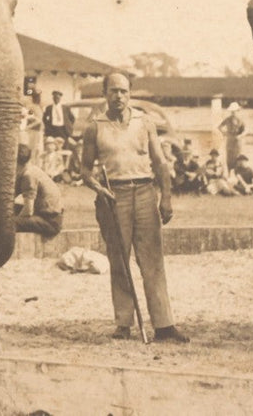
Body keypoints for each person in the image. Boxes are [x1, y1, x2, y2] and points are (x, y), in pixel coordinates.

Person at [82, 72, 187, 343]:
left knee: (152, 260)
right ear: (104, 93)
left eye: (124, 91)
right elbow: (84, 170)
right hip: (112, 196)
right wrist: (98, 188)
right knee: (119, 261)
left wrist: (166, 198)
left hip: (144, 191)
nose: (119, 96)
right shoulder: (95, 126)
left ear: (131, 93)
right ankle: (124, 324)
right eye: (113, 91)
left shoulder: (145, 122)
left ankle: (164, 326)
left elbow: (161, 163)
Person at [14, 143, 64, 238]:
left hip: (50, 222)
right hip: (48, 215)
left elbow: (28, 210)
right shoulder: (32, 169)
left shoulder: (28, 175)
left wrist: (15, 220)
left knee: (8, 224)